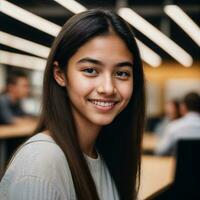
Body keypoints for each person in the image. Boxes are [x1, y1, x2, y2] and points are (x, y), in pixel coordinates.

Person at [0, 9, 145, 200]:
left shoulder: (102, 152)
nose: (108, 88)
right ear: (60, 74)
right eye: (91, 70)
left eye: (122, 73)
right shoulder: (41, 162)